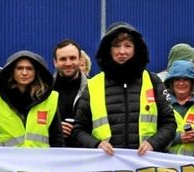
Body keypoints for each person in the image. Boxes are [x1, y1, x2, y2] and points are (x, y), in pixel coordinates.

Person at [71, 22, 176, 154]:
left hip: (146, 165)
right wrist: (96, 144)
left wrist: (153, 143)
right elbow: (78, 130)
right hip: (106, 166)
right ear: (108, 49)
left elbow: (169, 124)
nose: (122, 51)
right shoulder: (93, 85)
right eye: (116, 46)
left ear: (136, 49)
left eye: (128, 46)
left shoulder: (153, 81)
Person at [0, 50, 63, 148]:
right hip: (7, 161)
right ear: (12, 71)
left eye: (29, 68)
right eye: (19, 68)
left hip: (40, 161)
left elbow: (56, 138)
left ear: (36, 72)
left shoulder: (50, 99)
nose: (24, 73)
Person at [51, 39, 88, 143]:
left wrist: (79, 130)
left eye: (72, 58)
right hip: (54, 152)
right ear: (55, 62)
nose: (68, 63)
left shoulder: (93, 88)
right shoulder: (44, 89)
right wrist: (55, 127)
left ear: (80, 60)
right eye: (63, 59)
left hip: (85, 153)